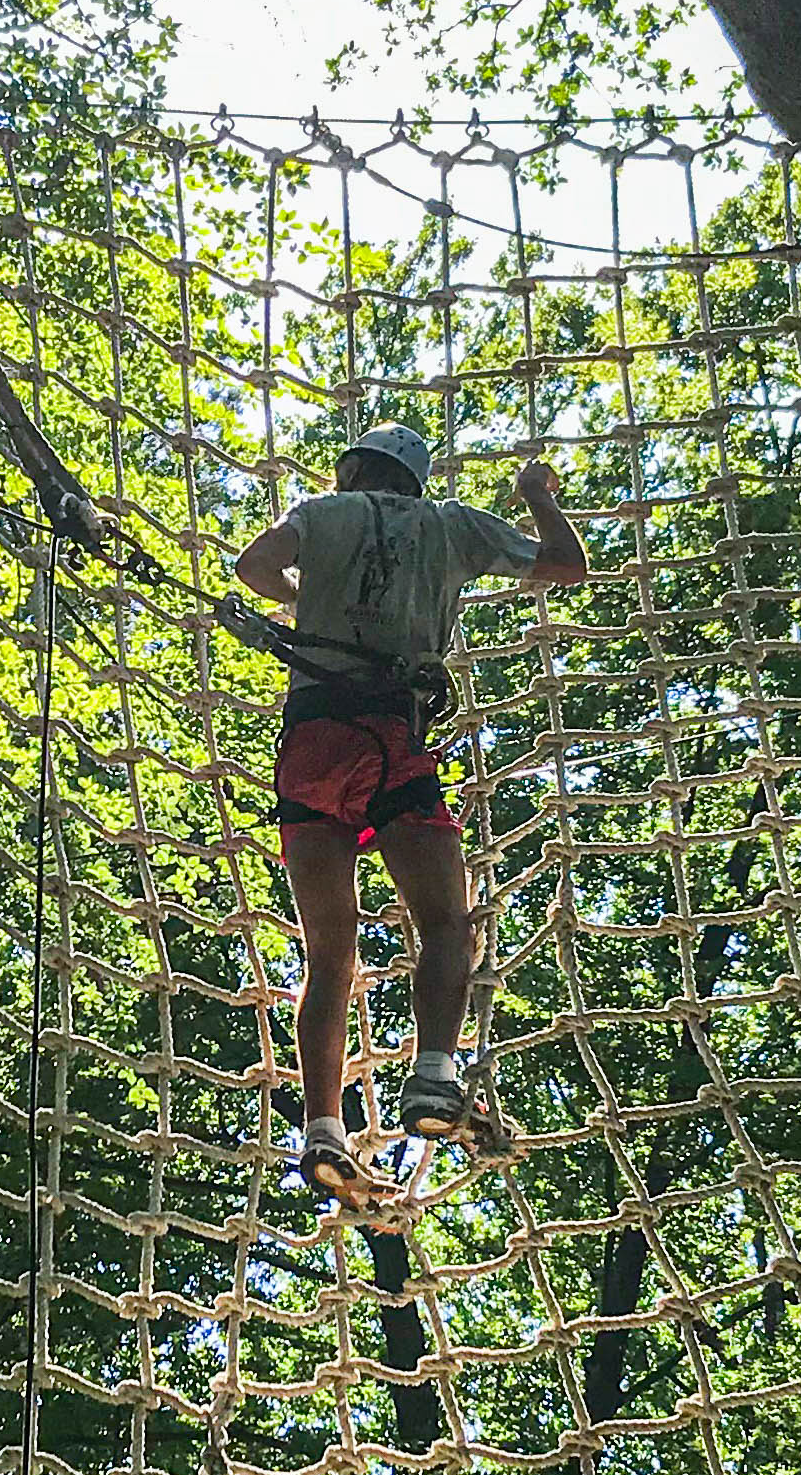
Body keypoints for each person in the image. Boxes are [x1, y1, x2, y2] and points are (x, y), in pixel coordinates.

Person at [233, 419, 587, 1202]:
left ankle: (321, 1130)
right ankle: (432, 1074)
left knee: (329, 954)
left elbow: (252, 566)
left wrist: (306, 606)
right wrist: (535, 496)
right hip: (390, 744)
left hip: (312, 746)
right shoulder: (451, 524)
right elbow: (567, 566)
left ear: (357, 468)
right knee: (446, 923)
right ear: (413, 480)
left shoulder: (321, 512)